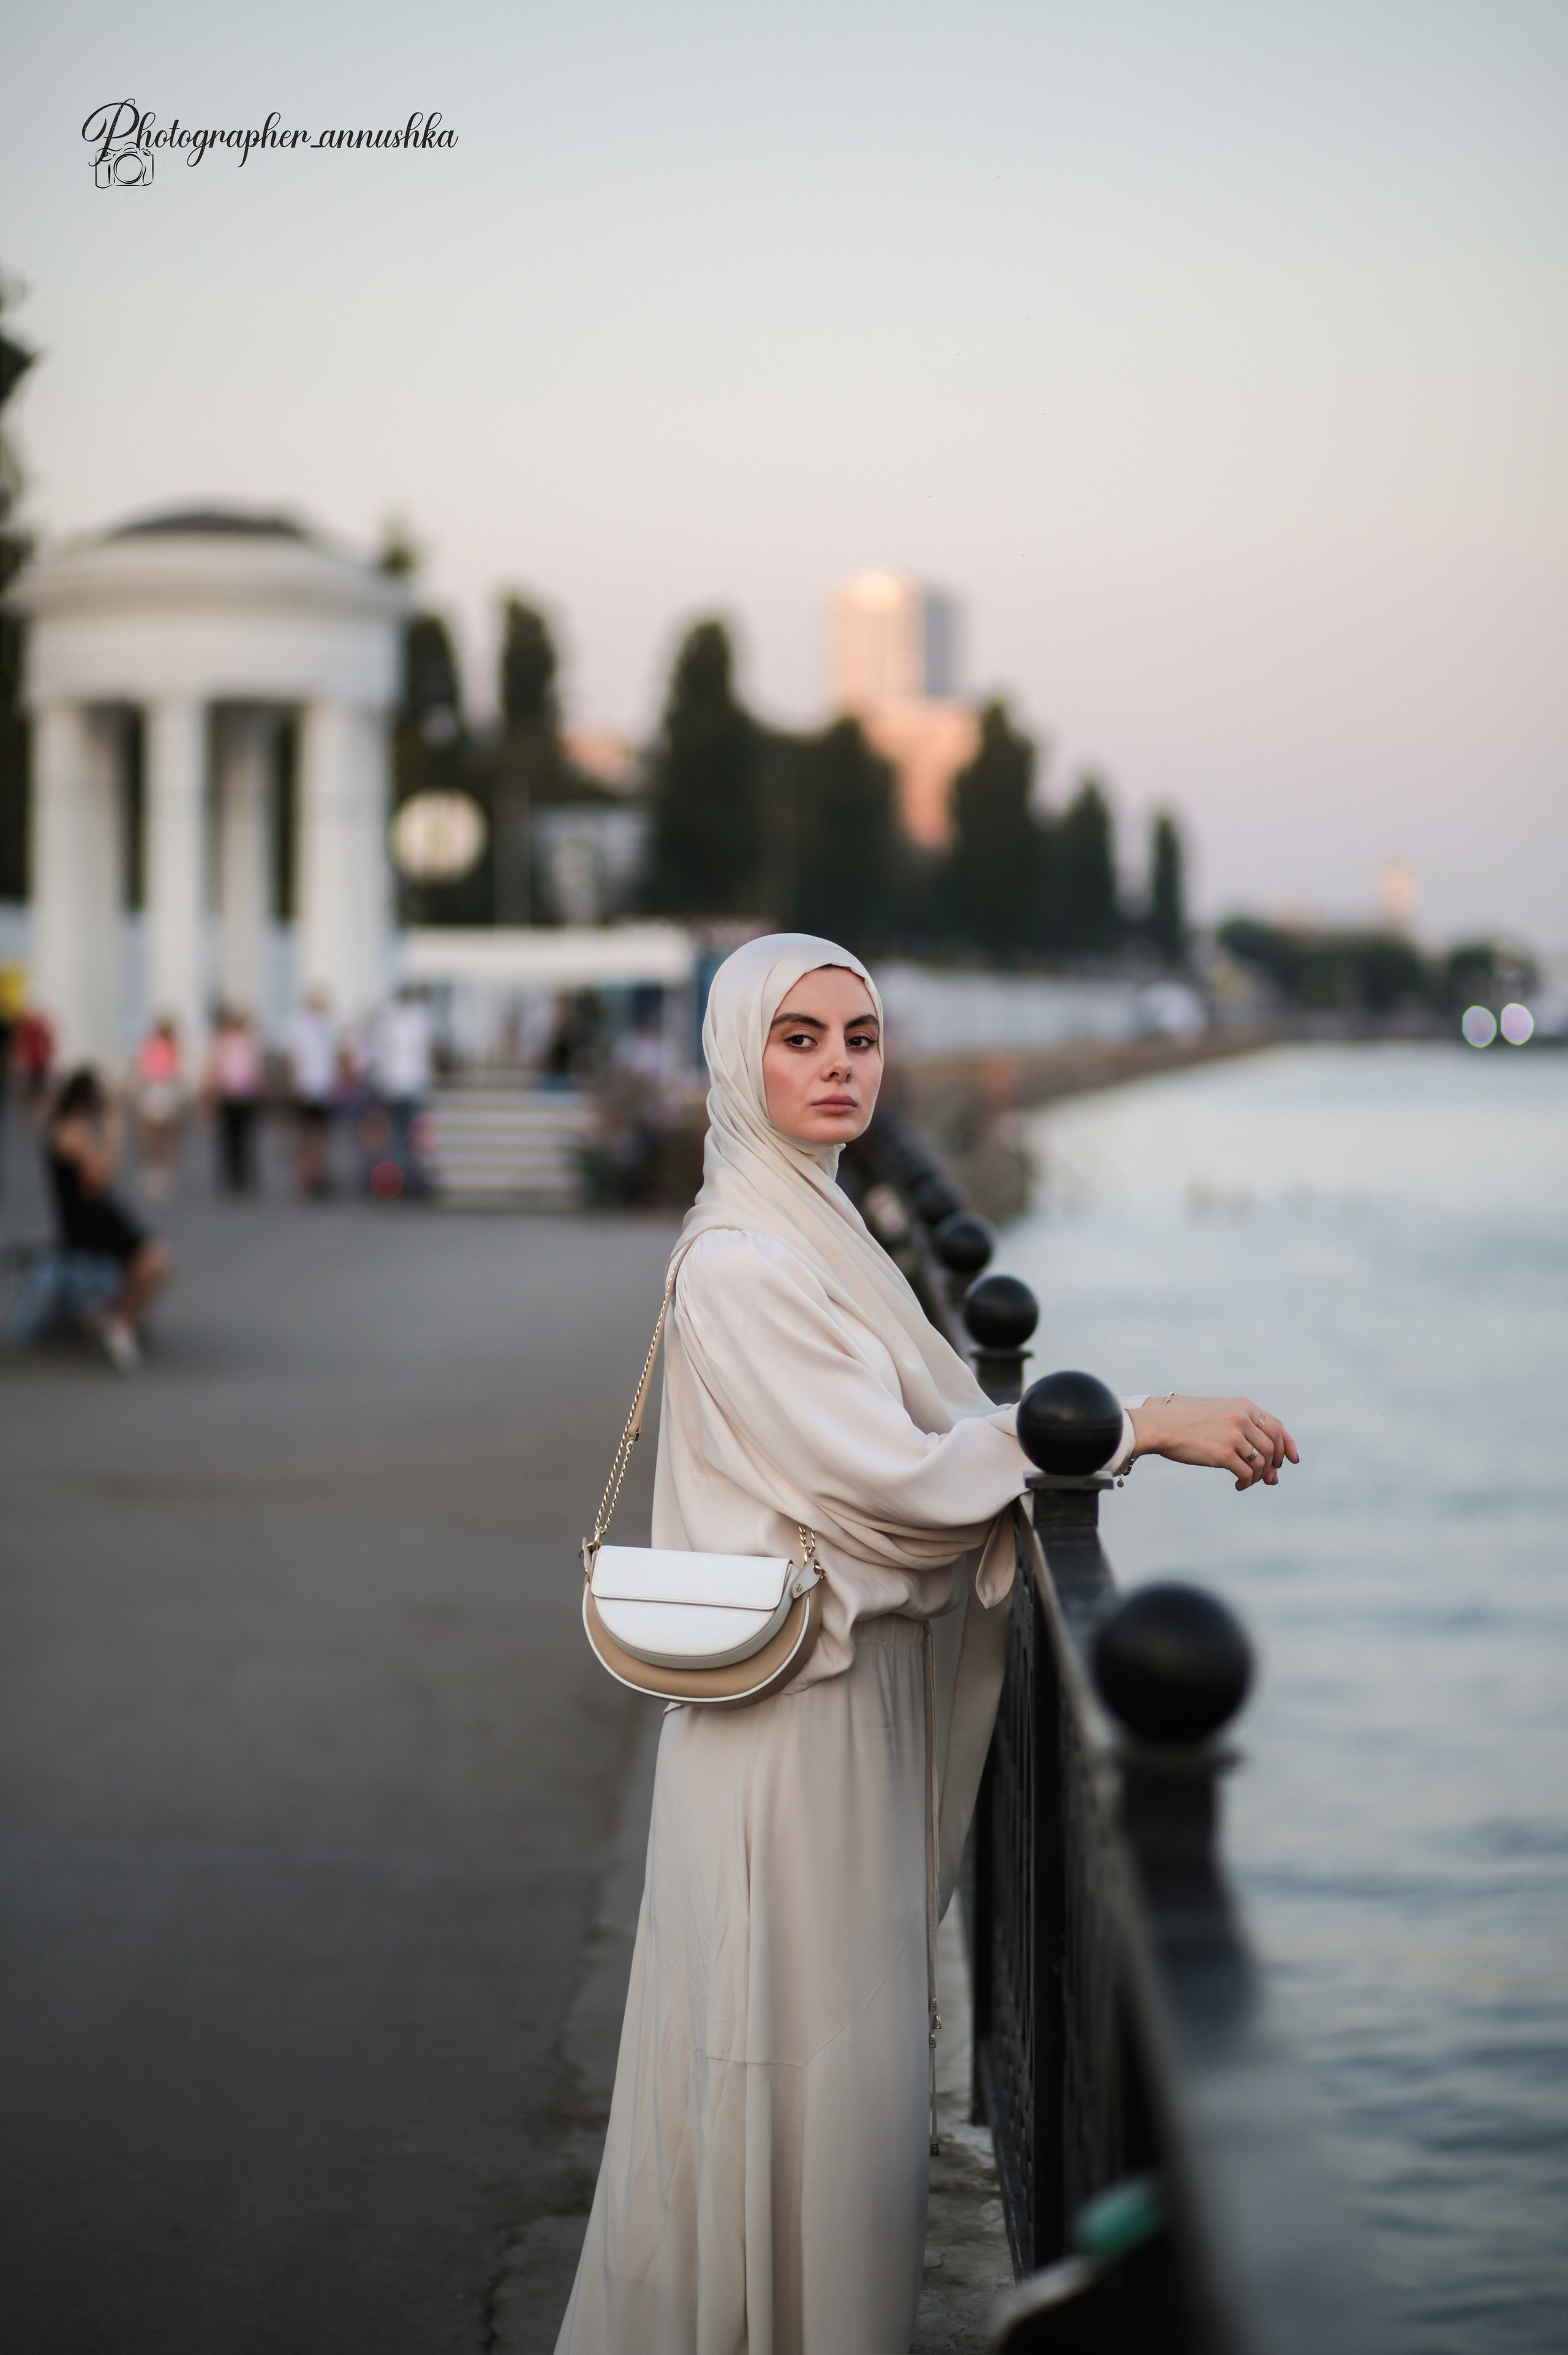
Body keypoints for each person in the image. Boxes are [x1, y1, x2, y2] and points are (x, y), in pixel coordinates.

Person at [554, 934, 1297, 2355]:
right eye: (799, 1038)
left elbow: (923, 1446)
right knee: (814, 2083)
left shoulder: (809, 1228)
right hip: (789, 1741)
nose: (838, 1064)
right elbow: (896, 1481)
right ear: (736, 1058)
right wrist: (1135, 1419)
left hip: (831, 1724)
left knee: (822, 2086)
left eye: (859, 1036)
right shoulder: (742, 1262)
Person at [45, 1067, 173, 1372]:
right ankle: (119, 1321)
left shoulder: (70, 1127)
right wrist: (114, 1134)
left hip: (96, 1215)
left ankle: (115, 1316)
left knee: (154, 1258)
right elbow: (98, 1177)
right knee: (153, 1261)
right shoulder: (73, 1130)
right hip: (89, 1219)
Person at [206, 1007, 264, 1196]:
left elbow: (256, 1069)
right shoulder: (223, 1041)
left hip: (245, 1095)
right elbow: (216, 1068)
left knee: (245, 1140)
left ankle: (243, 1179)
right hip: (228, 1095)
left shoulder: (249, 1041)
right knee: (229, 1140)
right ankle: (231, 1179)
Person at [287, 991, 338, 1196]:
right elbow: (295, 1059)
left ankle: (316, 1173)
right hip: (309, 1087)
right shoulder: (303, 1027)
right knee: (310, 1136)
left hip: (321, 1087)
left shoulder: (325, 1028)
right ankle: (308, 1174)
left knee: (317, 1136)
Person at [131, 1016, 186, 1199]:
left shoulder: (163, 1047)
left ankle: (159, 1168)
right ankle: (158, 1168)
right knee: (159, 1134)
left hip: (161, 1089)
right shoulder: (158, 1046)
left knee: (159, 1133)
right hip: (159, 1089)